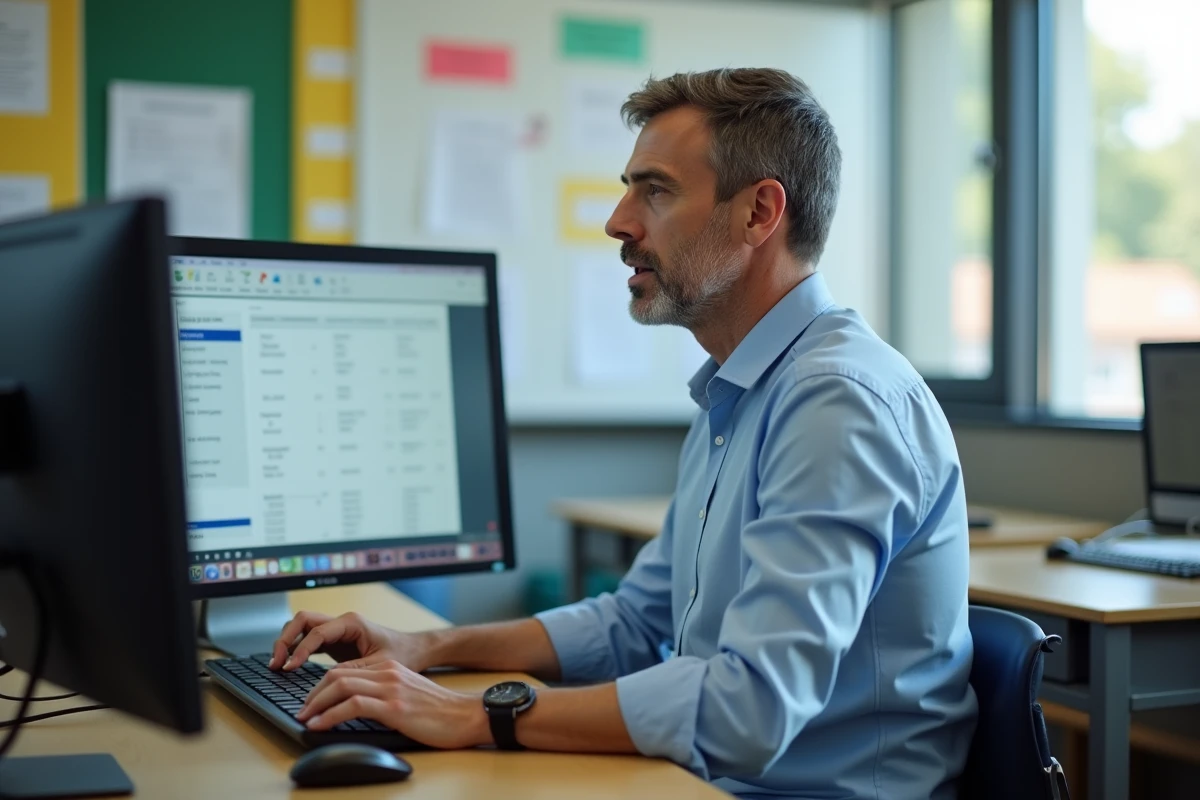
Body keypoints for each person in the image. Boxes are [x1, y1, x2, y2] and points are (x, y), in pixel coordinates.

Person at [271, 67, 978, 799]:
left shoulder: (837, 404)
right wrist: (428, 648)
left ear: (760, 212)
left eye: (656, 190)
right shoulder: (736, 393)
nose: (619, 220)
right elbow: (632, 623)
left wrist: (478, 713)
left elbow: (750, 711)